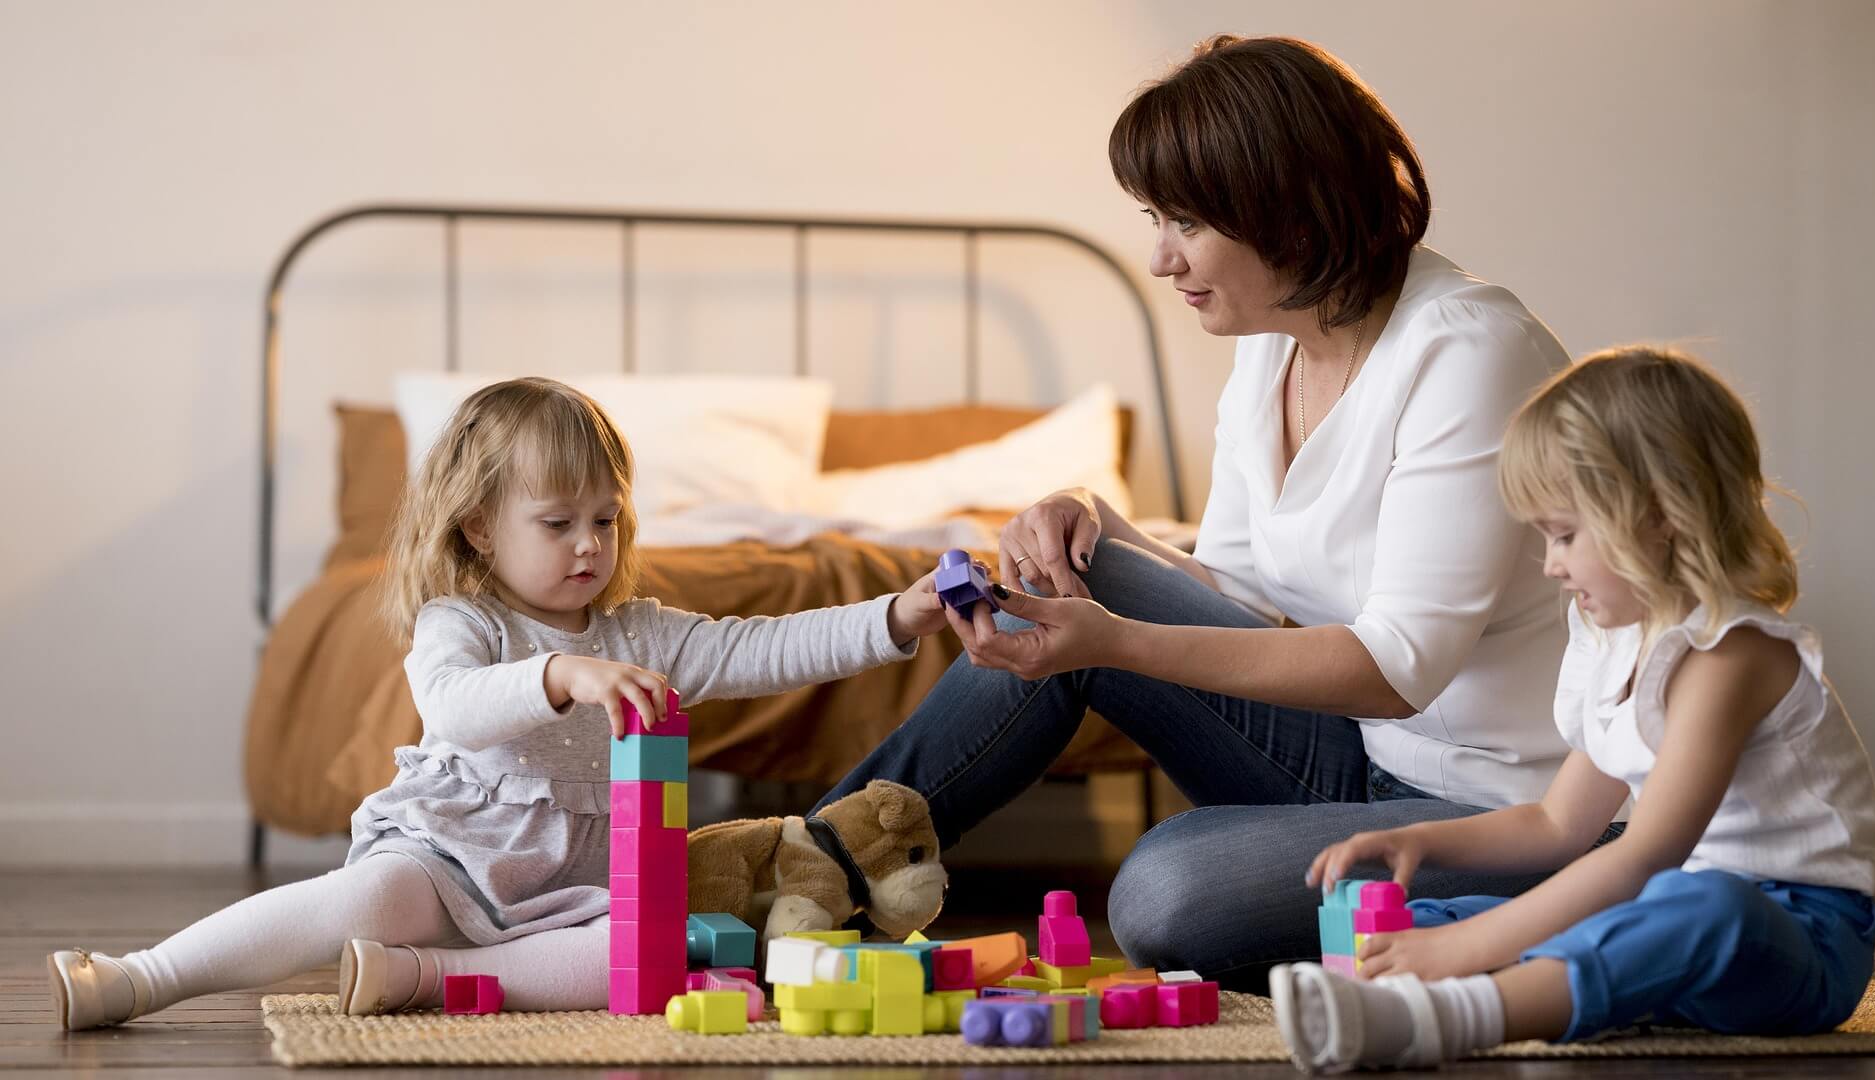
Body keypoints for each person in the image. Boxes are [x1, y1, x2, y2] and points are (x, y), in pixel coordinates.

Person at [816, 34, 1584, 988]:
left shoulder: (1467, 352)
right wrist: (1098, 518)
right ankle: (807, 875)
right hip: (1356, 764)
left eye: (1185, 221)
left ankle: (1534, 912)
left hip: (1506, 809)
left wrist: (1113, 643)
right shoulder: (1273, 343)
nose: (1158, 258)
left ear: (1289, 213)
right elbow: (1245, 593)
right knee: (1061, 570)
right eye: (1155, 218)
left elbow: (1396, 671)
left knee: (1164, 891)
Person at [46, 377, 952, 1028]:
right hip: (451, 855)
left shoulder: (644, 630)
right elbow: (451, 708)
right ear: (480, 525)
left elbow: (767, 646)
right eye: (557, 523)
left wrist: (897, 616)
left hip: (586, 881)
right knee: (364, 900)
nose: (589, 544)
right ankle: (142, 977)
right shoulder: (460, 620)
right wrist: (561, 677)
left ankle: (427, 979)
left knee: (642, 955)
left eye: (606, 518)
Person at [1272, 347, 1875, 1072]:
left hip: (1801, 937)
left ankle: (1457, 1017)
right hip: (1671, 908)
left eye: (1565, 534)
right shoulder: (1615, 643)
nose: (1550, 565)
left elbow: (1646, 853)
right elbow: (1557, 823)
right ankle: (1384, 993)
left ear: (1661, 515)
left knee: (1700, 912)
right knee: (1439, 922)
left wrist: (1466, 954)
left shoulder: (1732, 655)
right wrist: (1423, 843)